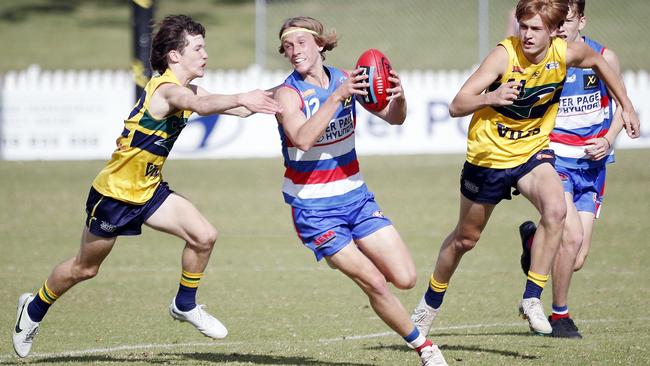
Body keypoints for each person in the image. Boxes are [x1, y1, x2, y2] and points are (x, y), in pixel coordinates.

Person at [12, 14, 282, 358]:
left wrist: (291, 86)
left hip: (150, 190)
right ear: (175, 55)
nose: (205, 55)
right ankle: (33, 308)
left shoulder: (189, 89)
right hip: (115, 195)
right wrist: (244, 95)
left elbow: (241, 110)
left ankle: (185, 304)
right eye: (197, 48)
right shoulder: (167, 90)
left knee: (204, 236)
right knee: (85, 268)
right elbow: (200, 105)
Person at [411, 0, 640, 338]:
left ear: (552, 32)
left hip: (531, 154)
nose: (528, 35)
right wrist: (492, 97)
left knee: (556, 209)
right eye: (524, 27)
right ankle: (429, 304)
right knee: (465, 239)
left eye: (535, 29)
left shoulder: (564, 53)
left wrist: (627, 106)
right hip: (488, 160)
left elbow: (598, 62)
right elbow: (456, 104)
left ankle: (532, 298)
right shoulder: (504, 55)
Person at [273, 16, 446, 366]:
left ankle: (348, 259)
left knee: (405, 278)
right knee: (375, 282)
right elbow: (303, 138)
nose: (294, 52)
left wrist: (399, 97)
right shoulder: (287, 94)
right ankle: (425, 349)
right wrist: (336, 98)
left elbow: (394, 118)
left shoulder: (346, 80)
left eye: (301, 43)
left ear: (320, 44)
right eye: (288, 46)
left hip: (356, 198)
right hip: (315, 211)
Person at [518, 0, 639, 339]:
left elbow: (621, 105)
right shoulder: (545, 59)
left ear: (581, 21)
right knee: (570, 237)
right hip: (554, 159)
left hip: (593, 163)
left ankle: (533, 244)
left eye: (566, 20)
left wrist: (609, 139)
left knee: (577, 255)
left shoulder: (604, 57)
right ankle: (559, 316)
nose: (559, 28)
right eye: (554, 22)